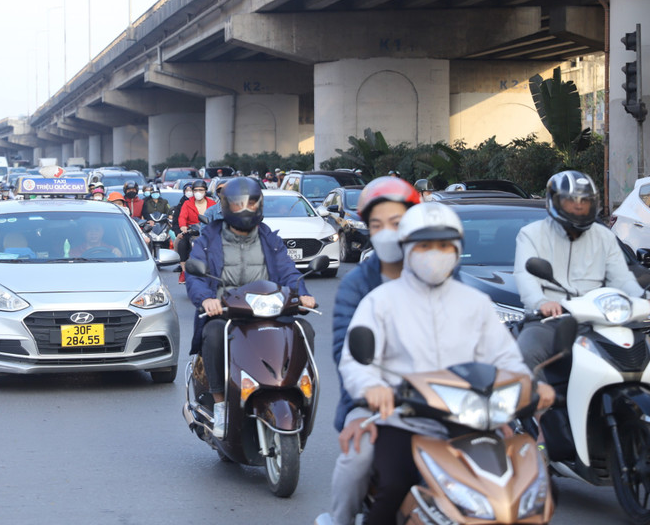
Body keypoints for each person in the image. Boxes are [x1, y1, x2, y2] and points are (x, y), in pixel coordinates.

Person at [339, 203, 554, 525]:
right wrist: (371, 386)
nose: (434, 254)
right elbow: (354, 360)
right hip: (402, 419)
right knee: (388, 482)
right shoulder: (381, 301)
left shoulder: (476, 302)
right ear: (406, 249)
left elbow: (505, 357)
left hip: (473, 419)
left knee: (526, 489)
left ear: (456, 250)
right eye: (424, 245)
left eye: (443, 245)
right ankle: (339, 519)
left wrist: (531, 385)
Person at [186, 177, 317, 438]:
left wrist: (302, 294)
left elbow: (288, 271)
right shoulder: (209, 238)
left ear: (260, 205)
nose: (245, 209)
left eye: (251, 203)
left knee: (305, 329)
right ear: (226, 206)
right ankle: (220, 404)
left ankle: (299, 390)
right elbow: (195, 276)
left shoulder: (269, 238)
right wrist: (207, 299)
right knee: (213, 333)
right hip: (227, 312)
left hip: (269, 309)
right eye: (238, 204)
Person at [327, 176, 420, 525]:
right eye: (377, 225)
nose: (387, 232)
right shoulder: (357, 284)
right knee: (358, 457)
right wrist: (370, 391)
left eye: (396, 222)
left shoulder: (441, 274)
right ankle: (339, 519)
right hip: (372, 402)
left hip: (440, 399)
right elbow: (345, 351)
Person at [514, 170, 644, 371]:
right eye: (571, 201)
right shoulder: (531, 234)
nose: (578, 206)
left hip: (598, 321)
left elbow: (622, 278)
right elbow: (525, 277)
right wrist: (541, 302)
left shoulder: (604, 236)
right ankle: (535, 392)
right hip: (549, 320)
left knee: (638, 355)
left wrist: (642, 297)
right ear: (555, 202)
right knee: (527, 353)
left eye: (585, 201)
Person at [176, 179, 216, 283]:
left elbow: (217, 217)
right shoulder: (187, 203)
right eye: (196, 190)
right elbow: (182, 217)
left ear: (205, 191)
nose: (198, 192)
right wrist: (183, 226)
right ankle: (184, 271)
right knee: (182, 244)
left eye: (201, 190)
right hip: (192, 231)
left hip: (208, 232)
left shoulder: (212, 203)